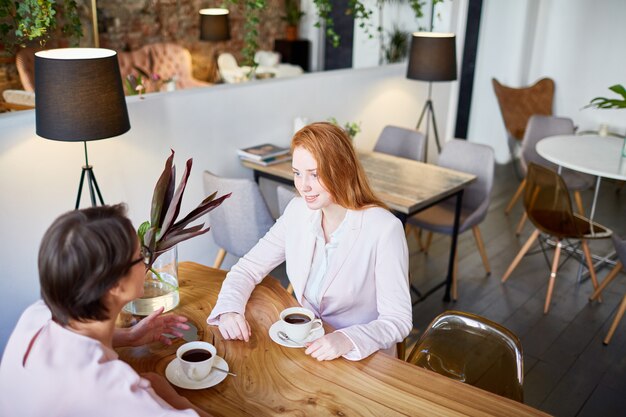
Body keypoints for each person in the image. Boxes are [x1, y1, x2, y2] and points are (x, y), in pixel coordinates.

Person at [207, 122, 412, 361]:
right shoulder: (298, 211)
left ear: (342, 169)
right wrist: (231, 310)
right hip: (307, 347)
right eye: (297, 173)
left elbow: (397, 320)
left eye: (314, 174)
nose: (303, 186)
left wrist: (347, 339)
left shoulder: (384, 229)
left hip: (363, 357)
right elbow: (248, 268)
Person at [0, 205, 212, 417]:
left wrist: (129, 336)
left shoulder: (35, 316)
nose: (147, 263)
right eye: (141, 255)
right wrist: (173, 398)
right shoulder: (109, 388)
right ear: (114, 285)